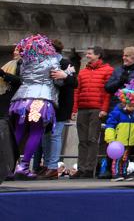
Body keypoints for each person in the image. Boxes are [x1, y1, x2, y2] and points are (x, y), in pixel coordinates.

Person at [9, 35, 61, 179]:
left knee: (18, 130)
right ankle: (24, 166)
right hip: (40, 98)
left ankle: (8, 166)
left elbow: (22, 77)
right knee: (36, 130)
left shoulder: (25, 60)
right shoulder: (52, 60)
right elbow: (58, 80)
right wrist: (67, 73)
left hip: (22, 99)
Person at [35, 39, 78, 180]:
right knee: (45, 136)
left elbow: (74, 82)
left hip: (61, 105)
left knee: (54, 135)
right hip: (46, 104)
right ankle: (47, 165)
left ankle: (53, 167)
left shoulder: (64, 63)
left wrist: (65, 76)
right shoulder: (44, 64)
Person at [71, 46, 113, 179]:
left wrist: (104, 109)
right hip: (83, 108)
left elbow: (107, 93)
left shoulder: (108, 70)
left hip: (96, 109)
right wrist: (74, 109)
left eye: (89, 54)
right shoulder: (83, 72)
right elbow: (77, 91)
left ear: (98, 55)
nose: (87, 56)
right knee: (82, 140)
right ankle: (81, 168)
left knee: (92, 139)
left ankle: (89, 169)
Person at [104, 80, 134, 181]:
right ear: (124, 103)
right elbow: (110, 125)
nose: (132, 108)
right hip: (118, 141)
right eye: (130, 106)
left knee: (125, 158)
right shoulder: (117, 112)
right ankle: (116, 174)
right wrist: (110, 139)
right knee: (117, 158)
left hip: (129, 141)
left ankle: (124, 172)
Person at [105, 47, 134, 112]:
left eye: (127, 56)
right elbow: (107, 88)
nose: (123, 58)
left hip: (132, 109)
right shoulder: (118, 70)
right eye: (123, 55)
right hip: (115, 107)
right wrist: (119, 82)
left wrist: (129, 90)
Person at [0, 46, 22, 177]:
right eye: (14, 50)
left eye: (18, 51)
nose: (15, 52)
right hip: (3, 101)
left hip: (14, 103)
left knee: (9, 137)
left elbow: (21, 81)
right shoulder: (9, 64)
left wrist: (3, 74)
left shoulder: (22, 65)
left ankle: (10, 168)